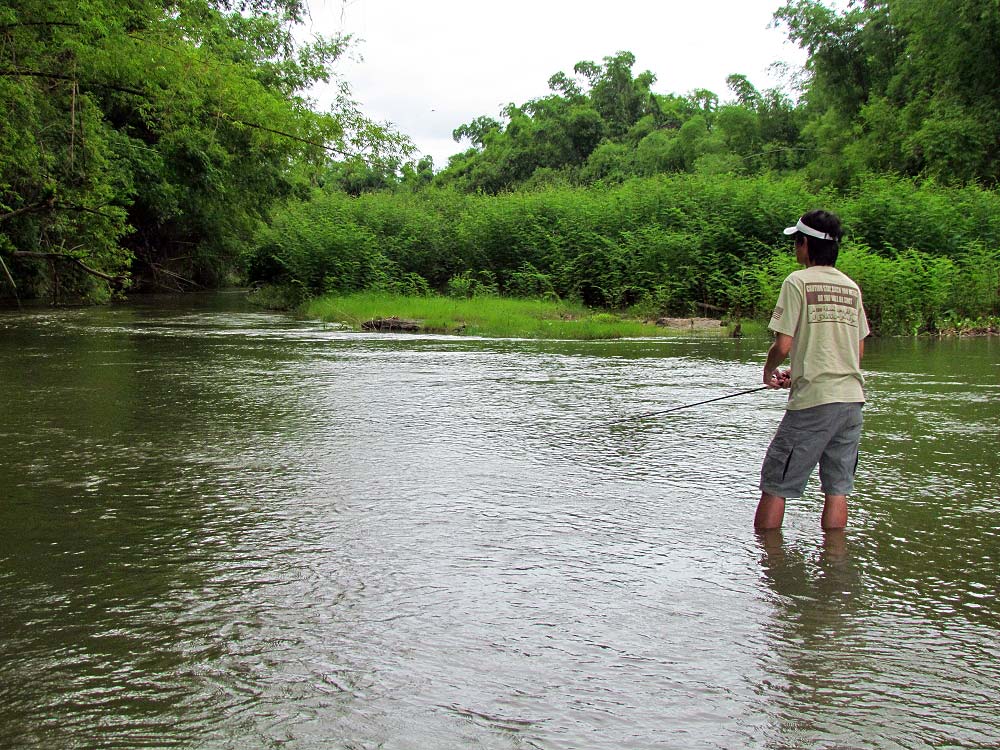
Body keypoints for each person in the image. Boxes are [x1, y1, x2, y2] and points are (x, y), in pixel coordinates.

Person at [755, 210, 870, 531]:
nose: (795, 247)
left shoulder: (797, 282)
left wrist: (769, 372)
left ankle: (769, 568)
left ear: (805, 244)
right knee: (837, 490)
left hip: (813, 404)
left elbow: (783, 345)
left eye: (796, 241)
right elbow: (856, 352)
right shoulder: (851, 288)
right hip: (851, 403)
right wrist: (803, 368)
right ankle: (834, 566)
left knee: (776, 483)